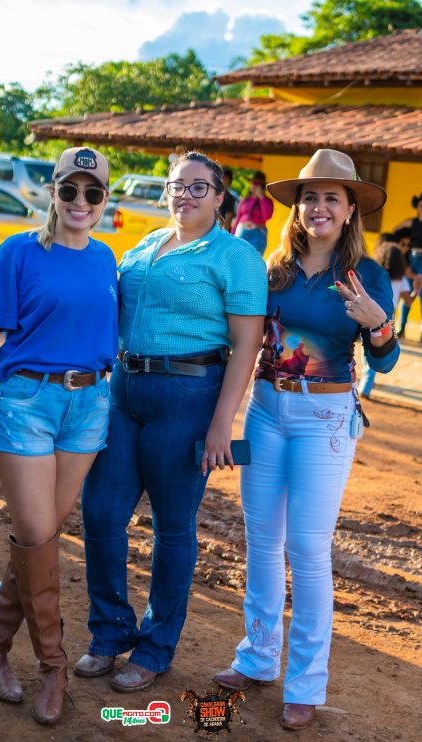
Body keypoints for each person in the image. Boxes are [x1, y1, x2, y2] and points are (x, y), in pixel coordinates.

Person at [213, 149, 400, 731]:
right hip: (266, 411)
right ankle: (259, 657)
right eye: (310, 197)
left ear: (349, 211)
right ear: (298, 209)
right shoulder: (275, 267)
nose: (319, 207)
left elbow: (386, 360)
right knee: (262, 541)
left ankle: (306, 683)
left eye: (332, 198)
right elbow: (246, 343)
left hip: (325, 420)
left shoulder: (365, 275)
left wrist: (376, 320)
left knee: (309, 552)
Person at [74, 151, 268, 693]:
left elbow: (247, 342)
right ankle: (110, 634)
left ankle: (155, 648)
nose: (184, 195)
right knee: (101, 514)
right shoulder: (141, 247)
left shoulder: (234, 256)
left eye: (198, 188)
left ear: (220, 197)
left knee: (172, 527)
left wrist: (221, 425)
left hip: (189, 395)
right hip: (123, 391)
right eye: (176, 186)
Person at [0, 147, 118, 726]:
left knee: (40, 538)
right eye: (70, 190)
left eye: (92, 193)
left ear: (104, 201)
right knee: (35, 533)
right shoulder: (18, 253)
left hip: (89, 406)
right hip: (26, 402)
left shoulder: (106, 260)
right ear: (53, 191)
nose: (80, 202)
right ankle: (54, 667)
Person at [359, 244, 412, 397]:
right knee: (379, 349)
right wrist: (415, 288)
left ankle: (367, 380)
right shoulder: (401, 279)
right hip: (387, 319)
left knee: (367, 348)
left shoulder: (374, 275)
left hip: (368, 313)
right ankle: (367, 385)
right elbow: (408, 301)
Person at [394, 194, 422, 341]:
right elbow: (395, 231)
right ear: (417, 207)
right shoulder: (412, 222)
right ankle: (402, 328)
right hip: (412, 260)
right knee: (407, 296)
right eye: (421, 206)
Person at [231, 170, 274, 255]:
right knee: (237, 255)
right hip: (242, 230)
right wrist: (231, 235)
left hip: (258, 232)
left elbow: (267, 217)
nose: (254, 185)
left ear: (262, 186)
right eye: (253, 183)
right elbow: (238, 218)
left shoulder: (268, 201)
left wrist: (261, 198)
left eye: (257, 184)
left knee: (255, 258)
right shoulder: (244, 200)